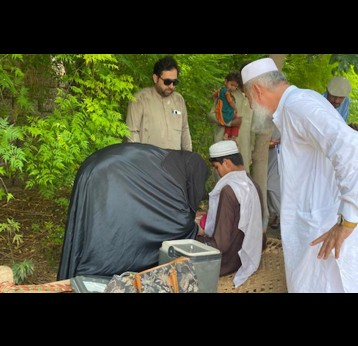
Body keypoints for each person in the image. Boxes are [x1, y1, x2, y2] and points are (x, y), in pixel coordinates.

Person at [241, 57, 358, 293]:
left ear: (256, 90)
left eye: (247, 98)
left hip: (323, 226)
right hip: (314, 224)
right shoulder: (296, 105)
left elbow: (350, 146)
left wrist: (348, 219)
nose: (250, 105)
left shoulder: (299, 106)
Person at [57, 142, 209, 280]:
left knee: (94, 224)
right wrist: (195, 228)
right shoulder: (174, 177)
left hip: (102, 164)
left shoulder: (173, 163)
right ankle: (93, 273)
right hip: (111, 172)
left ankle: (81, 274)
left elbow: (158, 208)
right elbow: (176, 224)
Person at [208, 69, 273, 244]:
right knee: (222, 185)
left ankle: (239, 231)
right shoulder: (225, 94)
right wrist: (229, 122)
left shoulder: (248, 98)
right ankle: (219, 231)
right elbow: (212, 114)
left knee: (241, 188)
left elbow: (252, 127)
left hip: (242, 148)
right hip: (223, 146)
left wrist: (251, 148)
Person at [196, 140, 263, 288]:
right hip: (247, 255)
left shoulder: (228, 190)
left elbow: (221, 244)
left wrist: (198, 231)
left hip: (227, 262)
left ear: (226, 162)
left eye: (216, 167)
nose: (217, 172)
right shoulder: (252, 183)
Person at [126, 56, 192, 151]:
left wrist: (189, 158)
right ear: (155, 78)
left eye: (175, 82)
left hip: (174, 162)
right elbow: (132, 132)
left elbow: (185, 130)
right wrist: (139, 159)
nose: (171, 86)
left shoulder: (179, 100)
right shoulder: (140, 99)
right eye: (167, 81)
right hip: (149, 161)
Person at [212, 72, 242, 140]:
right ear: (226, 82)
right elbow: (211, 115)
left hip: (222, 113)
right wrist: (235, 108)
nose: (233, 88)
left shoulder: (220, 91)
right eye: (232, 85)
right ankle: (232, 136)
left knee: (234, 120)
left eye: (235, 86)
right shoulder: (226, 93)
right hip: (225, 115)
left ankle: (227, 134)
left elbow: (214, 95)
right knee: (235, 119)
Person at [267, 125, 281, 229]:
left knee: (271, 184)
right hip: (269, 155)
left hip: (281, 155)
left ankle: (281, 214)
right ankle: (274, 213)